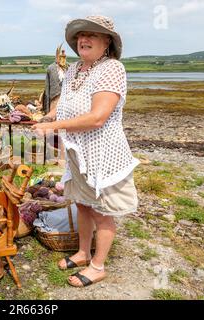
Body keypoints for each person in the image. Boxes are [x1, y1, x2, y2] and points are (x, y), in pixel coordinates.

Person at [32, 15, 140, 288]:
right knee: (81, 203)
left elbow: (97, 117)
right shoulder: (73, 70)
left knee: (102, 211)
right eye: (81, 35)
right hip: (77, 150)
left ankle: (98, 265)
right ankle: (82, 252)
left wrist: (56, 125)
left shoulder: (112, 69)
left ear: (107, 42)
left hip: (103, 153)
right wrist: (47, 117)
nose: (84, 38)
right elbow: (65, 104)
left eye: (92, 34)